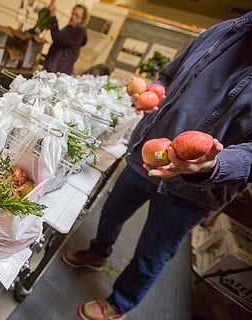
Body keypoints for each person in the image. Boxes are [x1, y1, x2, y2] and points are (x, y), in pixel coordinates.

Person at [62, 11, 252, 320]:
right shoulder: (222, 31)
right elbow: (168, 74)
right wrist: (155, 90)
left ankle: (119, 303)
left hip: (197, 185)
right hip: (148, 155)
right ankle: (97, 254)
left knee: (153, 251)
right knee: (111, 212)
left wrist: (217, 163)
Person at [43, 2, 89, 75]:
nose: (72, 17)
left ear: (82, 20)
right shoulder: (69, 29)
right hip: (54, 70)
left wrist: (53, 16)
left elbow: (58, 38)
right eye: (72, 14)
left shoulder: (78, 31)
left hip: (58, 72)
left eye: (76, 16)